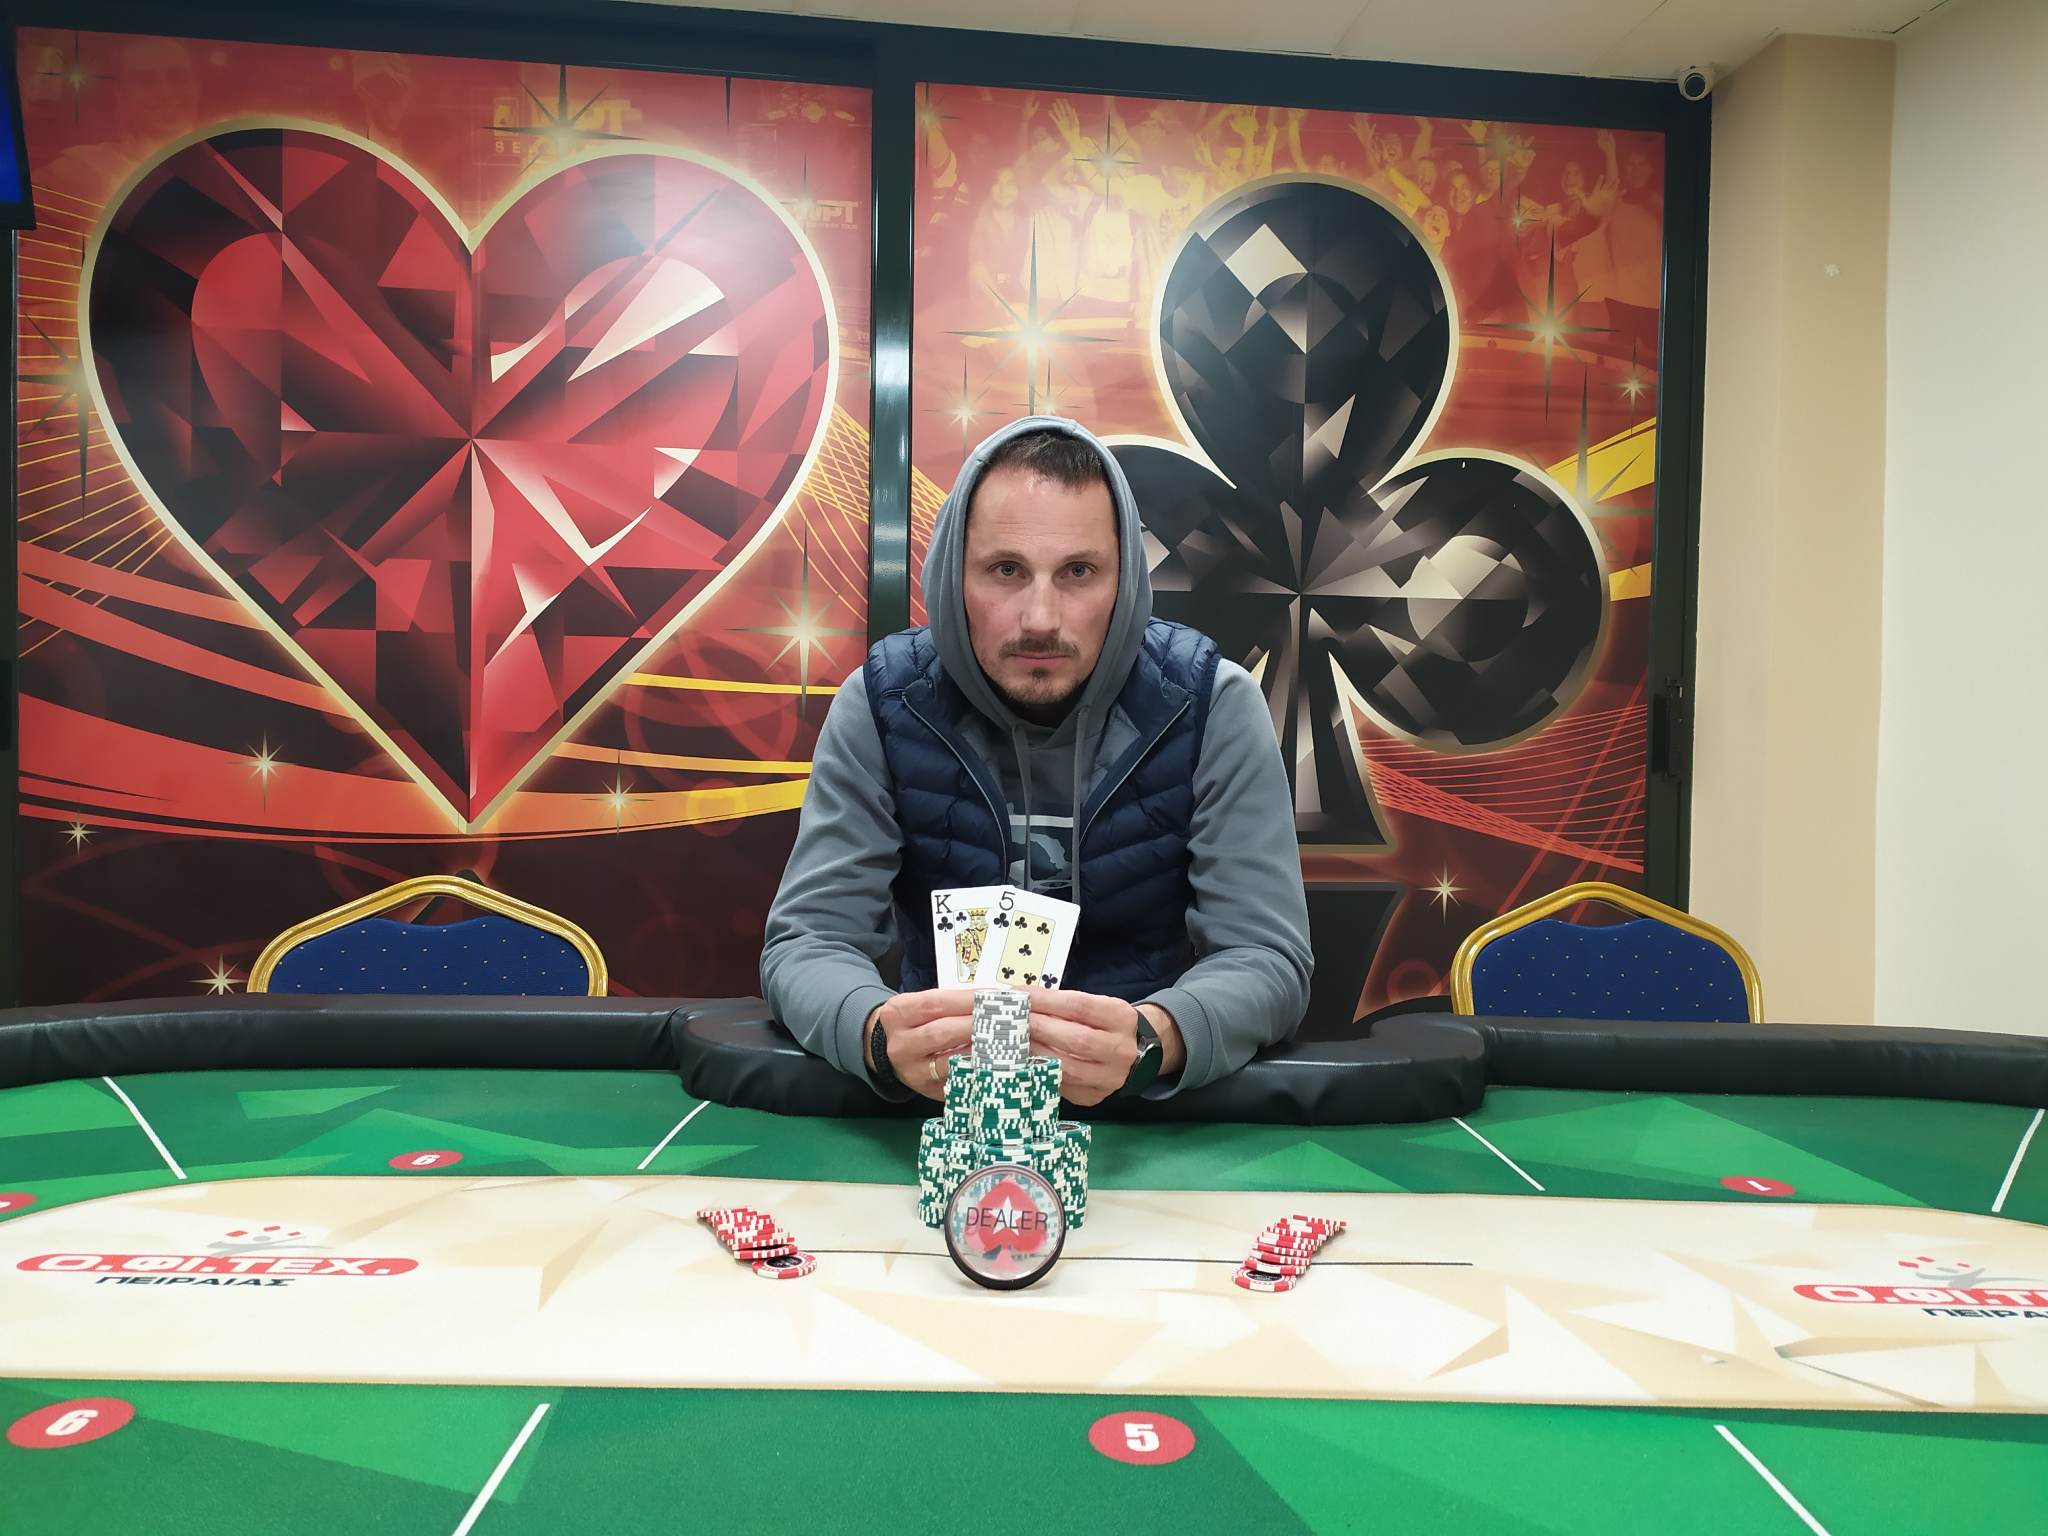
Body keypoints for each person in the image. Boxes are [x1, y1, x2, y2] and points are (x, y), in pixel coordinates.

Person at [761, 418, 1312, 1107]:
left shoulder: (1211, 704)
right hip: (940, 1101)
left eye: (1079, 572)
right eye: (1006, 571)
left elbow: (1267, 958)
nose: (1041, 618)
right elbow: (807, 942)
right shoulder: (882, 702)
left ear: (1124, 580)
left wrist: (1155, 1038)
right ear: (954, 576)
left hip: (1145, 1103)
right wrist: (875, 1034)